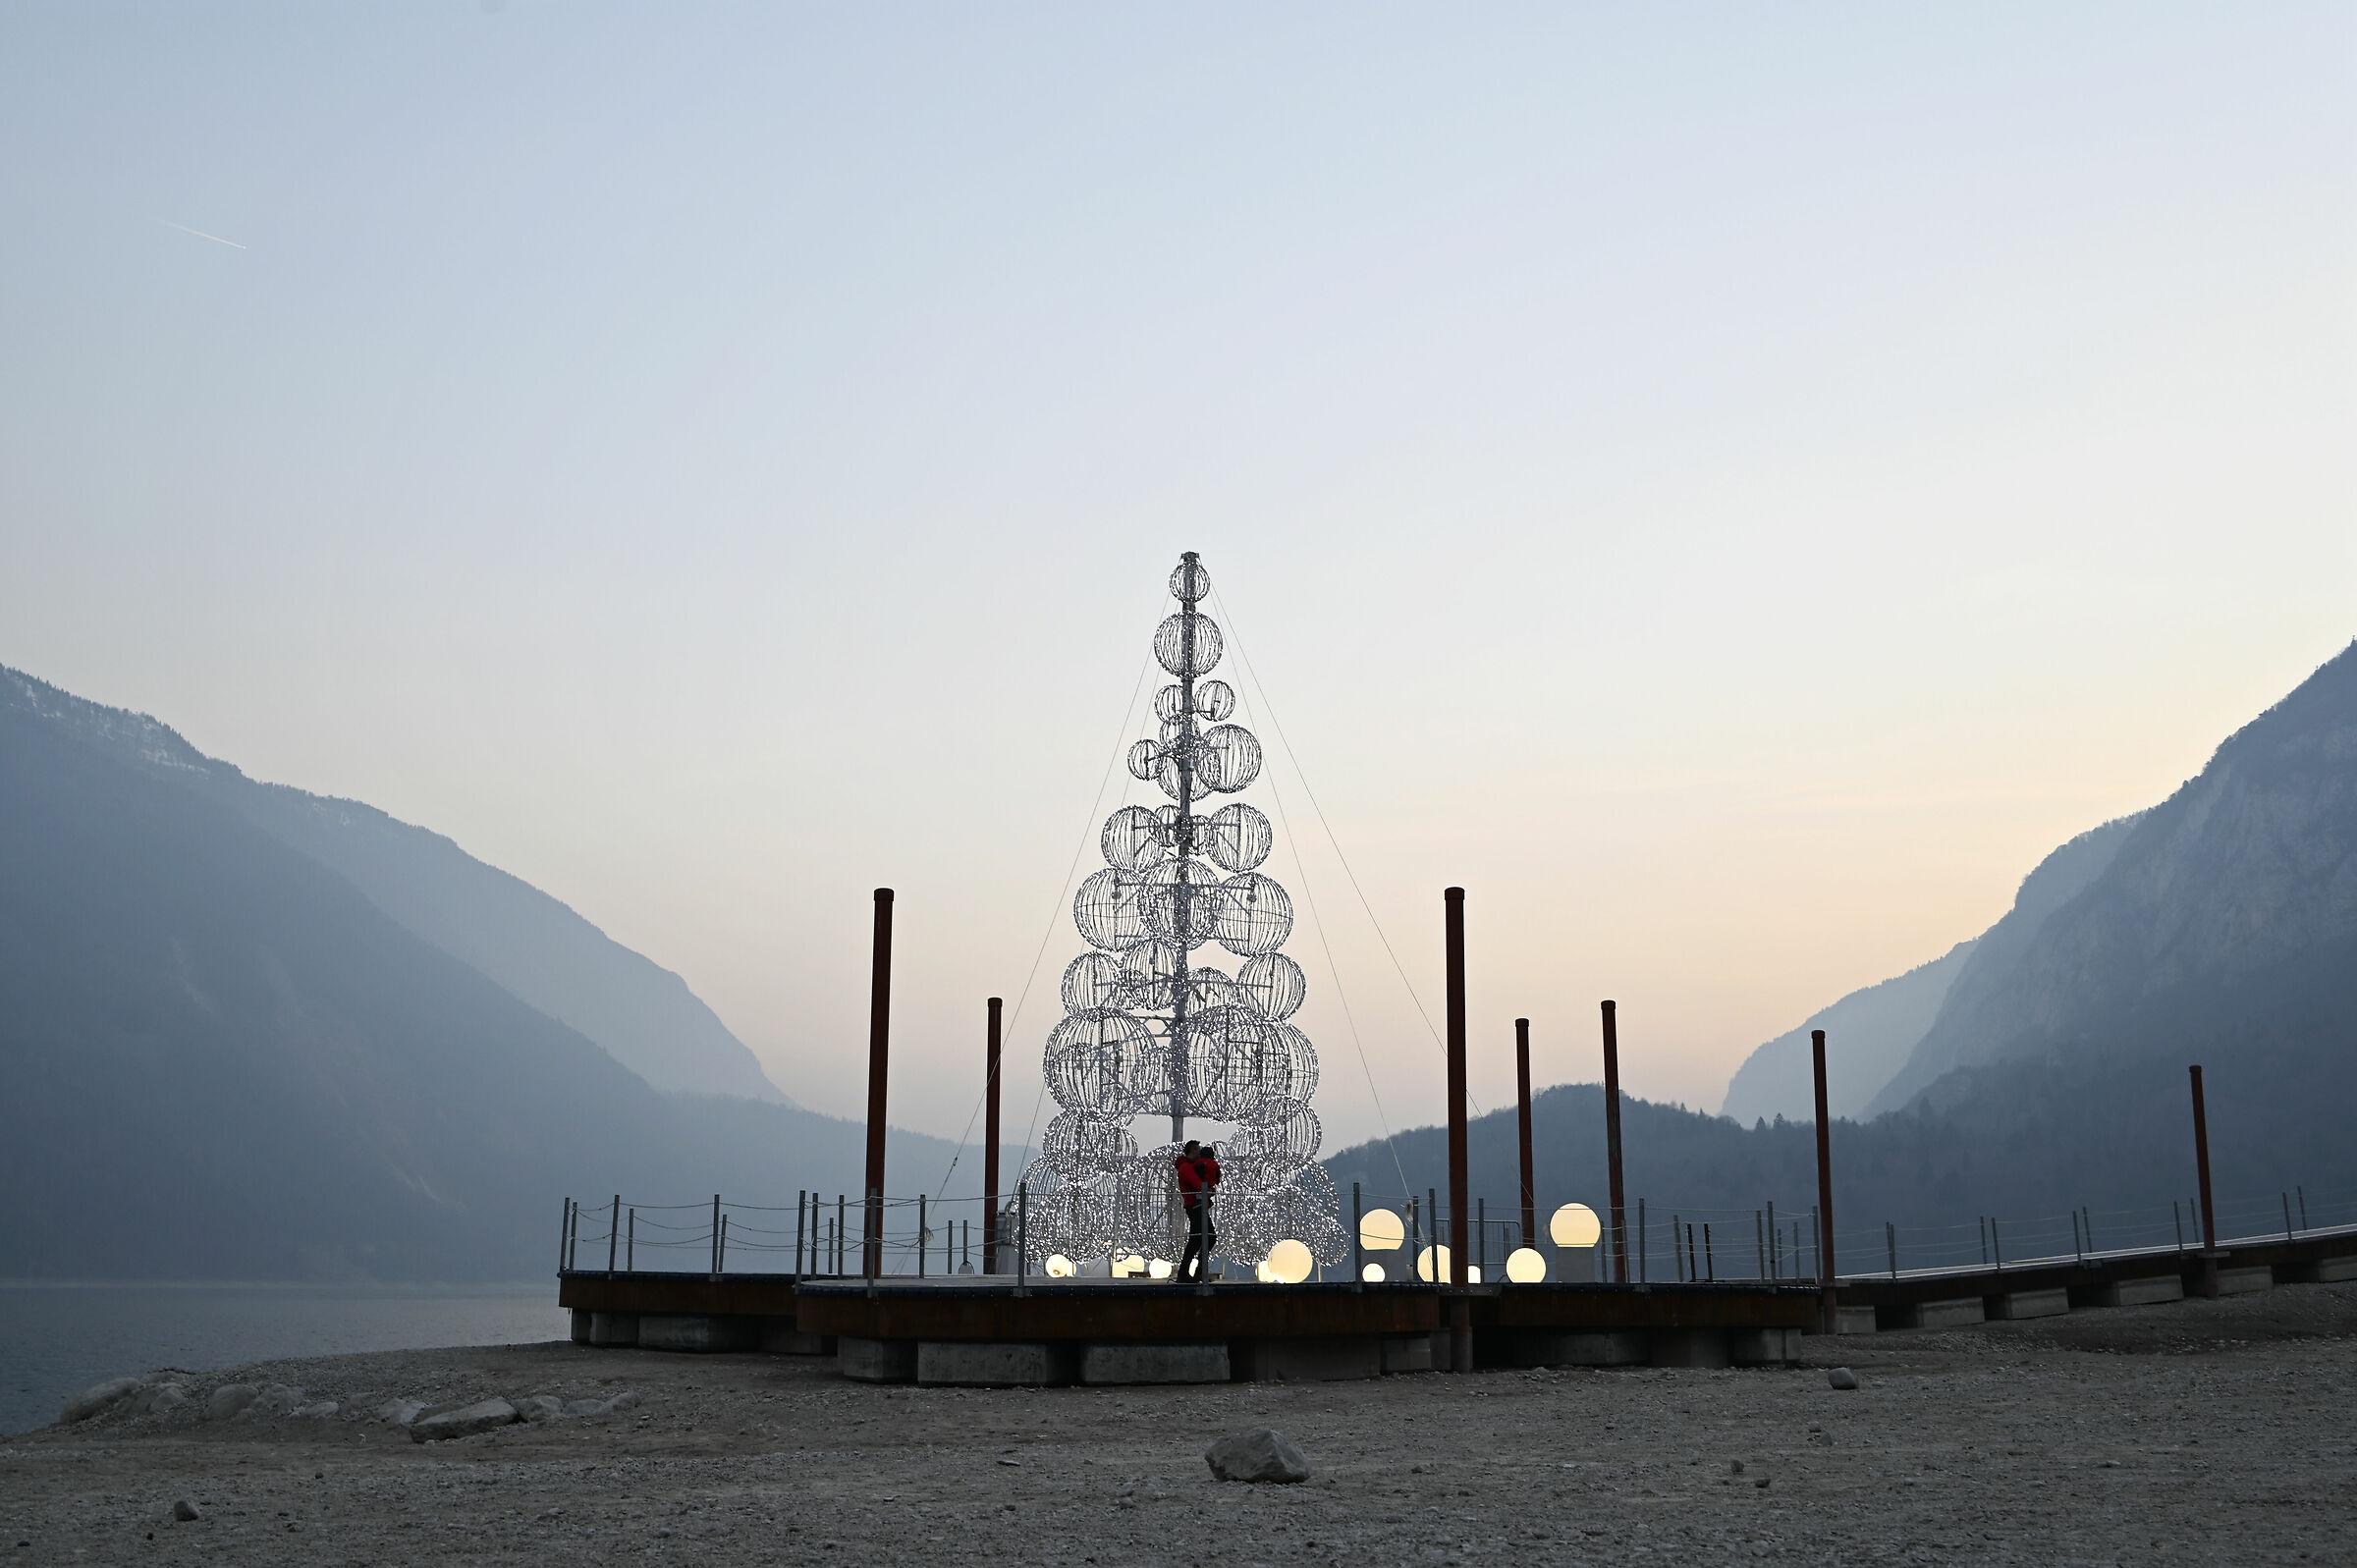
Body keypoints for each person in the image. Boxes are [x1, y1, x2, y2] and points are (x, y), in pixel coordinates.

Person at [1175, 1139, 1222, 1282]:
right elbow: (1198, 1184)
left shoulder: (1189, 1166)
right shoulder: (1186, 1167)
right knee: (1207, 1237)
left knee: (1199, 1239)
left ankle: (1192, 1272)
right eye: (1197, 1150)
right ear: (1192, 1150)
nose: (1200, 1152)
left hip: (1197, 1206)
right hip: (1195, 1207)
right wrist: (1208, 1188)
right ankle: (1194, 1272)